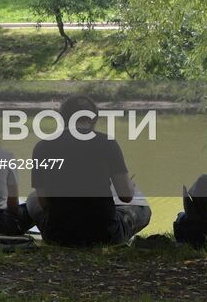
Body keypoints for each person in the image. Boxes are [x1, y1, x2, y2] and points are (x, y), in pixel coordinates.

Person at [27, 95, 151, 246]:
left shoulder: (42, 147)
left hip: (57, 235)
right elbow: (126, 197)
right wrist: (130, 186)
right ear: (93, 119)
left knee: (32, 198)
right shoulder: (108, 143)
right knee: (142, 209)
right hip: (105, 235)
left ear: (63, 118)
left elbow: (43, 202)